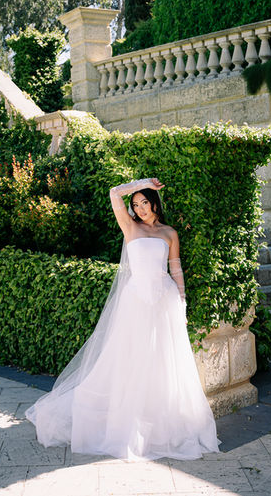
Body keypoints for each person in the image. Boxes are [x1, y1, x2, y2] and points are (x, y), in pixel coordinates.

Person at [25, 177, 220, 460]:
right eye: (136, 204)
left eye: (145, 202)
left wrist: (182, 302)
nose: (140, 209)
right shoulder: (130, 226)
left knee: (162, 360)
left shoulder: (169, 233)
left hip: (164, 300)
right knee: (130, 357)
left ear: (155, 203)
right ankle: (126, 421)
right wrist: (143, 183)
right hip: (136, 300)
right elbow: (114, 193)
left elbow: (176, 268)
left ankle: (159, 422)